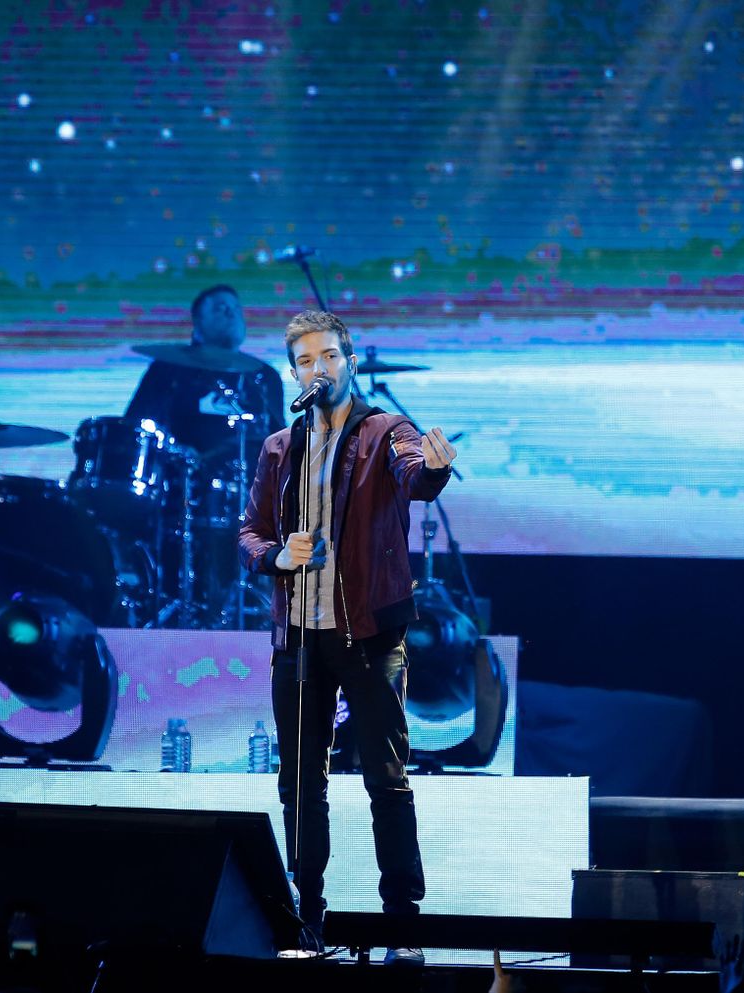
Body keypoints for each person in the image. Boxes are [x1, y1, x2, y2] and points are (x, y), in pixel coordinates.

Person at [237, 310, 457, 966]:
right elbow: (249, 530)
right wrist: (277, 555)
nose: (319, 368)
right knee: (300, 783)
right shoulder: (280, 447)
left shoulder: (385, 430)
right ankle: (306, 920)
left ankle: (402, 923)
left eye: (330, 355)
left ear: (350, 360)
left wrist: (436, 470)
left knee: (386, 777)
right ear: (294, 370)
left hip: (368, 634)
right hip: (299, 637)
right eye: (306, 360)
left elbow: (416, 472)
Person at [123, 284, 284, 461]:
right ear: (198, 321)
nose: (232, 314)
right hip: (180, 478)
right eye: (220, 309)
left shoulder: (265, 377)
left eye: (237, 308)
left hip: (248, 482)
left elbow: (280, 443)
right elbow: (135, 430)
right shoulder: (167, 369)